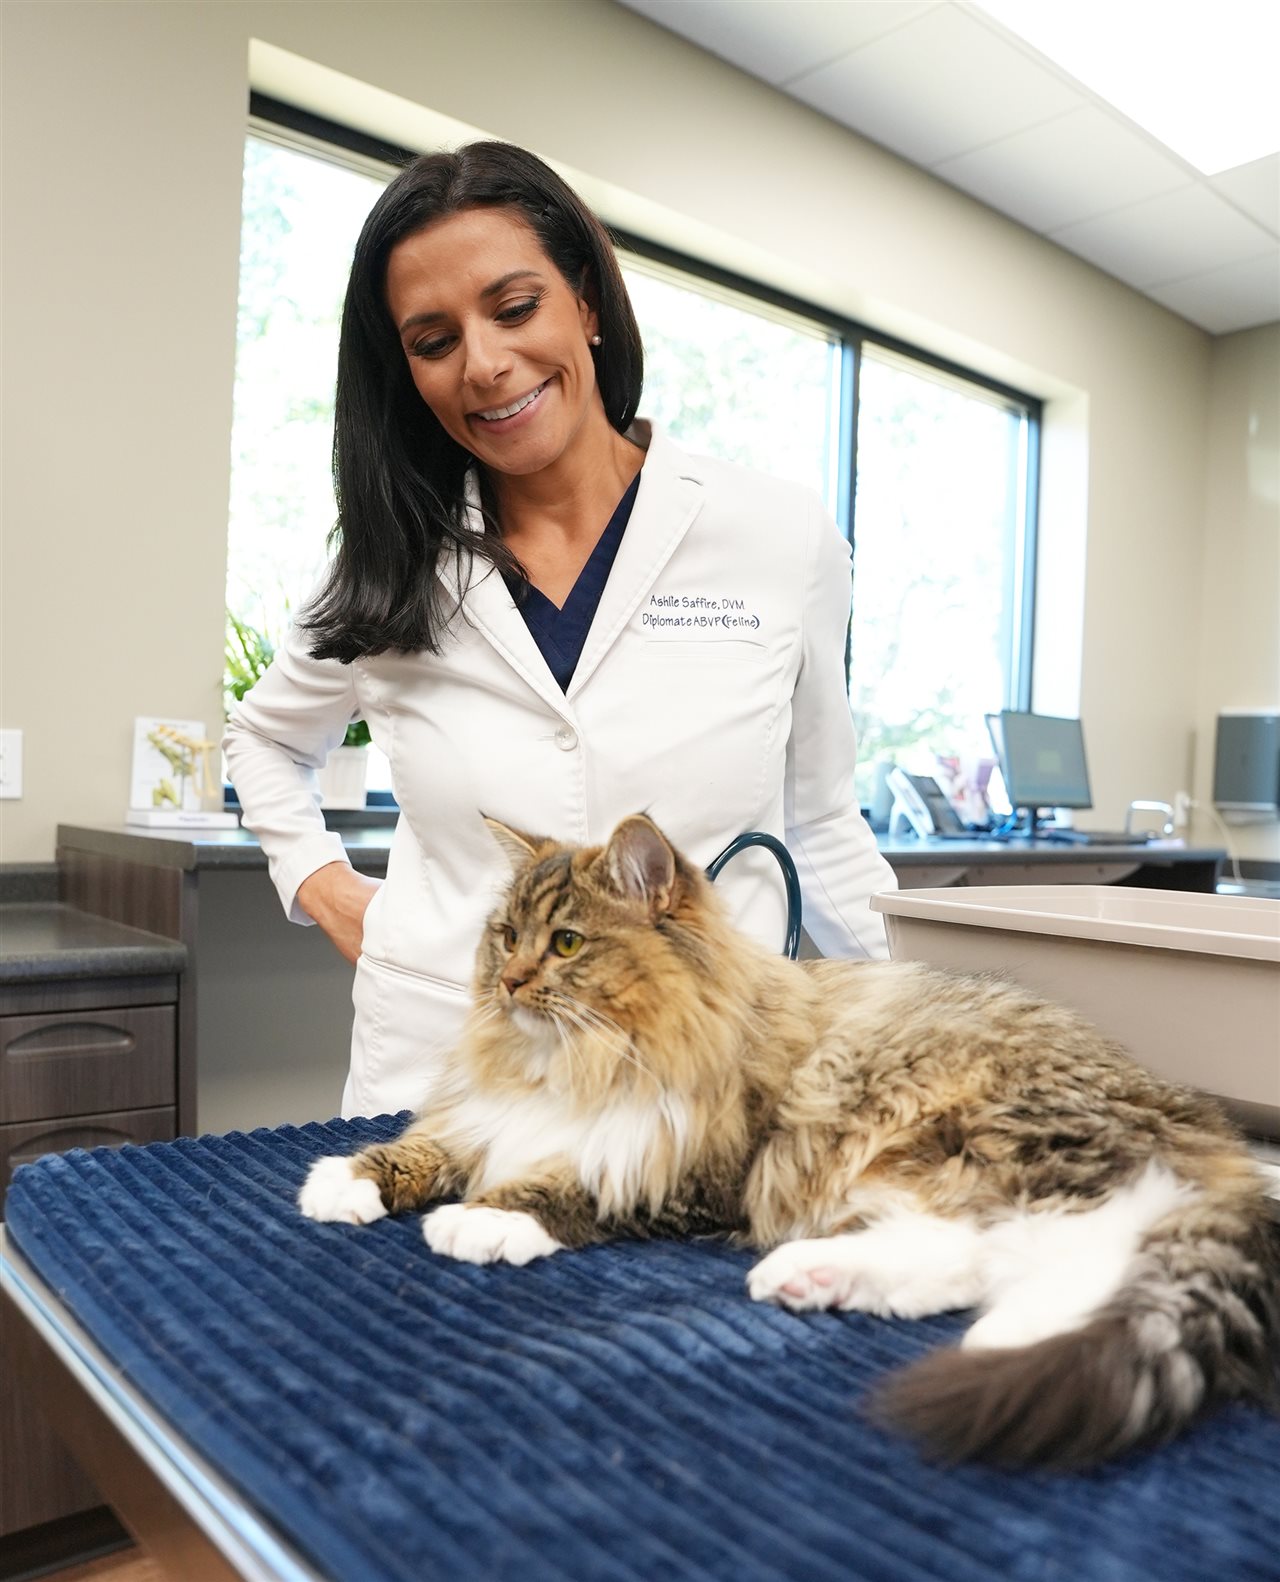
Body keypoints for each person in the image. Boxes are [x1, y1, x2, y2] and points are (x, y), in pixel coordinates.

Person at [225, 141, 897, 1120]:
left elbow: (822, 822)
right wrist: (323, 886)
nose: (484, 364)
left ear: (585, 302)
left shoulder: (776, 536)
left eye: (513, 308)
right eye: (433, 341)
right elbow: (264, 737)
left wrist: (924, 1021)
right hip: (446, 1084)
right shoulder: (388, 562)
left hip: (699, 1091)